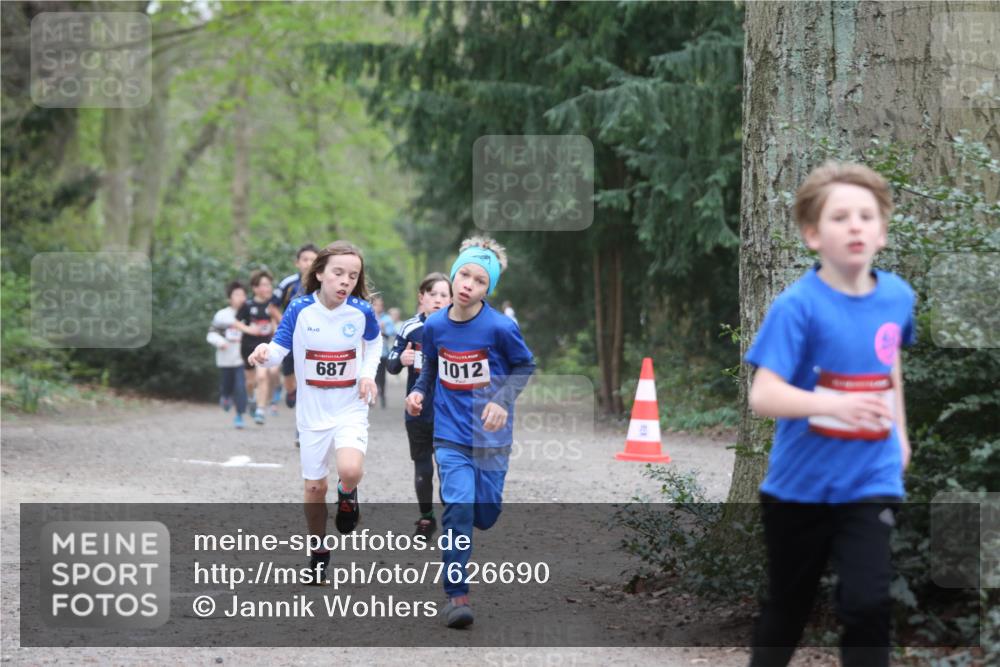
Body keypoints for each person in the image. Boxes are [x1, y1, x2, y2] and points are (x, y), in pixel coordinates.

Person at [744, 162, 916, 667]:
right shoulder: (797, 307)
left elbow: (890, 368)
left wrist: (900, 435)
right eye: (840, 217)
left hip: (871, 478)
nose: (856, 225)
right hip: (800, 488)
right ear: (813, 234)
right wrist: (836, 404)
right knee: (788, 609)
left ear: (882, 232)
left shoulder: (897, 298)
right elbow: (764, 396)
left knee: (867, 605)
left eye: (867, 216)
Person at [405, 236, 536, 629]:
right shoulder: (435, 325)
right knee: (458, 507)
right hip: (449, 435)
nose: (468, 284)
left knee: (485, 513)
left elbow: (524, 367)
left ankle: (480, 513)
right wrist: (417, 392)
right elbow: (430, 368)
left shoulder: (500, 327)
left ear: (487, 289)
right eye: (464, 274)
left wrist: (501, 399)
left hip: (492, 439)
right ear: (453, 274)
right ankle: (456, 595)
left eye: (479, 280)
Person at [248, 240, 381, 582]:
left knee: (349, 470)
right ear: (319, 273)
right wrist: (264, 351)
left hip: (350, 405)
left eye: (353, 276)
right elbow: (279, 349)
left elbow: (374, 342)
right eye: (338, 273)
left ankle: (348, 495)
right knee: (314, 489)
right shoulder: (300, 309)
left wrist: (366, 375)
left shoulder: (361, 311)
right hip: (313, 412)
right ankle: (319, 552)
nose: (345, 281)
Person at [386, 272, 452, 538]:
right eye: (432, 294)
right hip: (418, 408)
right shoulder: (410, 328)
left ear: (451, 299)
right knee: (423, 465)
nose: (437, 300)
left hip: (449, 411)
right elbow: (390, 364)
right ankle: (426, 518)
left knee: (448, 465)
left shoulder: (458, 326)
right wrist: (401, 358)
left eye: (443, 295)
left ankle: (453, 518)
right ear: (421, 298)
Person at [273, 243, 320, 444]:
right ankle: (290, 391)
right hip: (291, 340)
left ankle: (302, 430)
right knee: (292, 381)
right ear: (297, 262)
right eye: (305, 259)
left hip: (315, 342)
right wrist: (285, 322)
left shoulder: (324, 284)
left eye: (313, 259)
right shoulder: (288, 284)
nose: (309, 263)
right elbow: (272, 307)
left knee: (308, 385)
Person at [206, 281, 251, 429]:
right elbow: (211, 334)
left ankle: (239, 415)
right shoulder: (222, 315)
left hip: (241, 358)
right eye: (237, 294)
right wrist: (220, 342)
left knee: (240, 386)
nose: (241, 297)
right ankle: (225, 397)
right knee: (227, 386)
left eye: (243, 294)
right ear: (229, 298)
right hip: (225, 359)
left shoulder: (250, 314)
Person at [238, 269, 280, 425]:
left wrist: (276, 331)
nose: (267, 288)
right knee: (250, 382)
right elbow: (235, 322)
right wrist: (249, 329)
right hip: (248, 346)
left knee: (263, 376)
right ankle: (251, 398)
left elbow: (279, 323)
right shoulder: (247, 305)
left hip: (265, 346)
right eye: (263, 285)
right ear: (255, 288)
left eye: (269, 285)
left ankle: (261, 410)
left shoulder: (273, 306)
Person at [372, 295, 395, 409]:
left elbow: (391, 333)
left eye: (380, 304)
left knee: (381, 377)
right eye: (375, 304)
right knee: (371, 376)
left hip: (383, 353)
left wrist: (383, 329)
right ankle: (372, 397)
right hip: (369, 353)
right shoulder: (368, 316)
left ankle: (382, 395)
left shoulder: (386, 319)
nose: (378, 307)